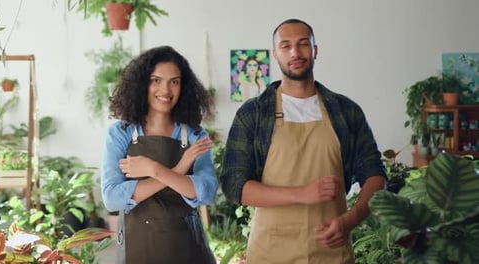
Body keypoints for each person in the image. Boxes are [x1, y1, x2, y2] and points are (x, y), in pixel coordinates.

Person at [220, 18, 387, 264]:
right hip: (270, 252)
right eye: (285, 46)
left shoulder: (346, 111)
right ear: (275, 54)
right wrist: (301, 194)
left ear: (315, 50)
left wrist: (350, 220)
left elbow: (375, 175)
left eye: (303, 44)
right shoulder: (253, 113)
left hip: (332, 253)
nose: (295, 52)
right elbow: (234, 185)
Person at [101, 45, 218, 264]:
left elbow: (207, 191)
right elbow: (112, 198)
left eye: (174, 81)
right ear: (142, 84)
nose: (166, 90)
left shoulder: (194, 134)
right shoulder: (120, 133)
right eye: (156, 80)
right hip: (138, 251)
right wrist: (178, 172)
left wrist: (153, 170)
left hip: (189, 251)